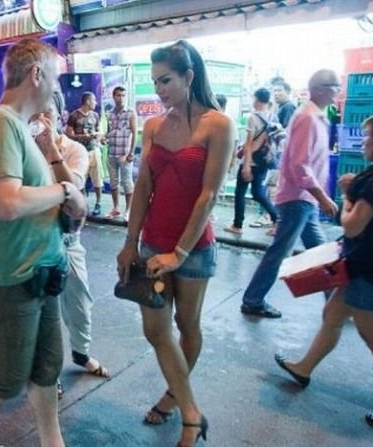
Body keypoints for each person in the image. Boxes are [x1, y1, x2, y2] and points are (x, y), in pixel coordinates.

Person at [0, 38, 86, 447]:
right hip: (12, 275)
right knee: (9, 375)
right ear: (36, 74)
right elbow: (6, 203)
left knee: (46, 367)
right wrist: (63, 192)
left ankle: (51, 441)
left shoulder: (21, 127)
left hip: (41, 271)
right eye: (55, 78)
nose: (58, 88)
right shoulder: (0, 123)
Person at [116, 40, 233, 447]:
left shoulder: (218, 124)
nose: (159, 89)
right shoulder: (153, 126)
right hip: (151, 246)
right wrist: (131, 241)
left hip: (194, 249)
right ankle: (191, 411)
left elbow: (209, 194)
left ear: (189, 76)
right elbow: (143, 185)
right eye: (154, 82)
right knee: (156, 330)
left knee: (187, 325)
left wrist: (178, 253)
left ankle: (174, 401)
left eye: (165, 80)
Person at [274, 112, 373, 429]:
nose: (363, 142)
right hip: (369, 264)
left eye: (369, 137)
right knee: (333, 314)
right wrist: (355, 190)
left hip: (371, 269)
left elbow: (353, 226)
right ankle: (304, 367)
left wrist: (345, 198)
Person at [240, 69, 340, 319]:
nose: (337, 92)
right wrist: (322, 197)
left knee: (319, 252)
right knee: (284, 252)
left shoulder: (315, 116)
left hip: (303, 199)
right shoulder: (307, 117)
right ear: (319, 89)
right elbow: (300, 165)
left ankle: (338, 303)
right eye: (334, 87)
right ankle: (253, 299)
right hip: (299, 198)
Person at [39, 91, 109, 391]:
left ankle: (81, 354)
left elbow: (75, 191)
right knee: (46, 312)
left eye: (47, 113)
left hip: (69, 239)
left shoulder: (74, 149)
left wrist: (49, 150)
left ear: (59, 114)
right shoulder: (22, 149)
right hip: (37, 241)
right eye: (34, 113)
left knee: (80, 303)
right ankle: (48, 376)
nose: (40, 120)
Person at [225, 88, 280, 236]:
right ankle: (277, 219)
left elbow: (249, 144)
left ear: (256, 100)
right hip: (264, 161)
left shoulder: (253, 118)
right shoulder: (273, 117)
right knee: (257, 192)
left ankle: (237, 225)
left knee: (240, 193)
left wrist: (246, 166)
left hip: (252, 161)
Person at [66, 92, 104, 216]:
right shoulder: (74, 116)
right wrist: (83, 136)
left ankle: (98, 203)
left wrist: (98, 136)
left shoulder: (95, 115)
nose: (95, 103)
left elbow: (98, 130)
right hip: (80, 153)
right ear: (87, 101)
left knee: (97, 178)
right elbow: (69, 134)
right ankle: (82, 204)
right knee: (80, 179)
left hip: (94, 150)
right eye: (94, 100)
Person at [105, 86, 137, 221]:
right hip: (112, 152)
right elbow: (110, 131)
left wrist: (131, 153)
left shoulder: (130, 113)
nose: (121, 98)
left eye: (123, 95)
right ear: (114, 96)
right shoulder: (110, 113)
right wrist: (104, 137)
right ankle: (116, 208)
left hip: (124, 153)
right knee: (113, 182)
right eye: (118, 95)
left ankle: (129, 210)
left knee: (127, 182)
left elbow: (135, 133)